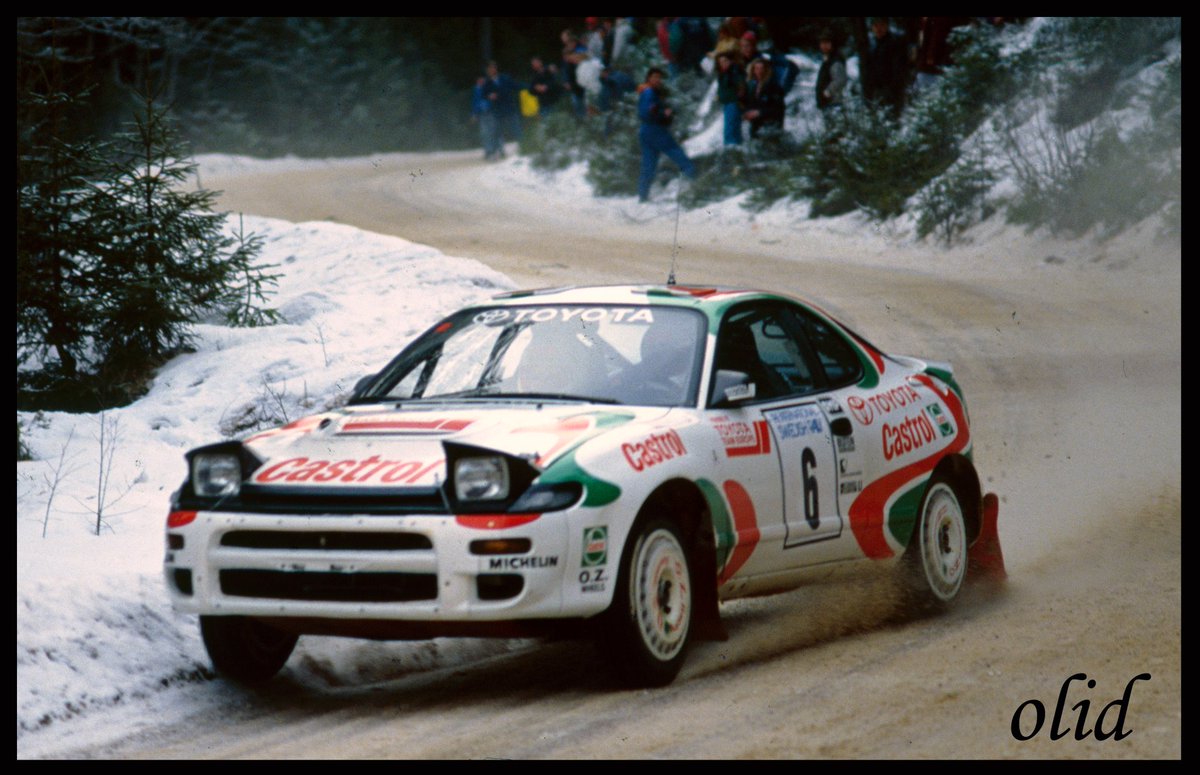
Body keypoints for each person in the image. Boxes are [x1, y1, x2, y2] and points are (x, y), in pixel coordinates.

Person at [636, 67, 696, 203]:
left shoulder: (646, 91)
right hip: (655, 129)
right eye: (655, 77)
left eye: (660, 78)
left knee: (648, 164)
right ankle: (693, 179)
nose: (658, 80)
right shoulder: (649, 92)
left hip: (646, 131)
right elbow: (647, 112)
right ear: (648, 78)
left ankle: (642, 196)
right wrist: (663, 113)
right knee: (676, 152)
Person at [861, 17, 909, 116]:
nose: (879, 29)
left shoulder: (895, 44)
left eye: (882, 25)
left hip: (890, 94)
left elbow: (899, 72)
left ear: (887, 26)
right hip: (874, 94)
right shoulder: (871, 45)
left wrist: (890, 91)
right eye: (876, 26)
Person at [481, 60, 521, 157]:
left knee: (516, 130)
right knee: (497, 132)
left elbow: (515, 86)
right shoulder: (487, 83)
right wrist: (489, 96)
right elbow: (484, 94)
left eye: (493, 67)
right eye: (489, 68)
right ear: (487, 70)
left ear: (496, 69)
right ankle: (494, 152)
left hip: (509, 108)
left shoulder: (505, 78)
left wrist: (528, 87)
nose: (491, 70)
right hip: (497, 111)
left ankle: (525, 148)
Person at [742, 58, 785, 139]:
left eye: (762, 68)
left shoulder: (774, 86)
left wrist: (759, 112)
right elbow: (748, 103)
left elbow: (779, 108)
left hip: (771, 125)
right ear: (753, 70)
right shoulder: (751, 86)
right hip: (756, 125)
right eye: (757, 68)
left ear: (766, 70)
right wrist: (746, 112)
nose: (759, 71)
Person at [715, 51, 745, 146]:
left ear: (731, 61)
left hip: (733, 103)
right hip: (728, 103)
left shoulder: (734, 72)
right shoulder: (724, 73)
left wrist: (738, 99)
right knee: (731, 128)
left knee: (730, 129)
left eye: (725, 61)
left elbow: (741, 86)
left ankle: (731, 148)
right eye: (721, 62)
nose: (723, 64)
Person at [815, 30, 847, 112]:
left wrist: (827, 92)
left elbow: (840, 80)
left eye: (827, 43)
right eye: (822, 43)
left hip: (833, 104)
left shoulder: (835, 61)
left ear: (832, 44)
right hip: (827, 104)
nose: (824, 46)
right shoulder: (827, 59)